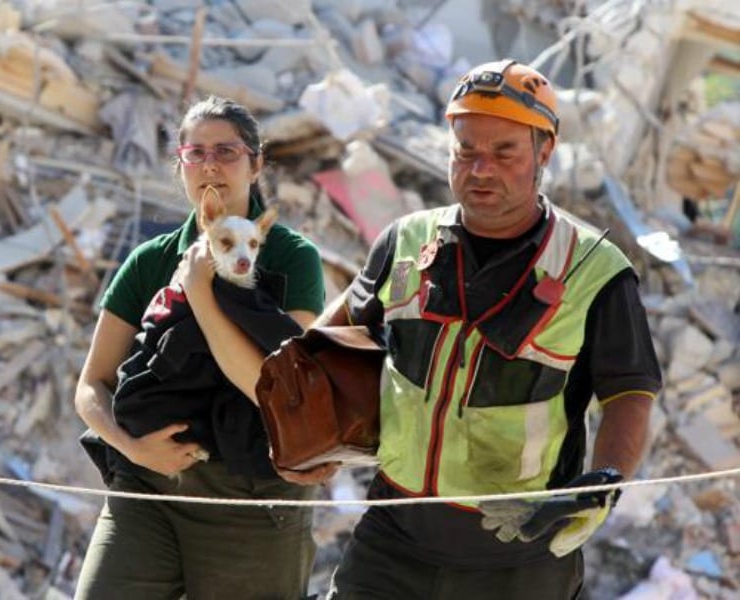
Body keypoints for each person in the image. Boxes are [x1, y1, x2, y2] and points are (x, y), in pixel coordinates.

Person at [293, 60, 663, 599]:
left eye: (504, 152)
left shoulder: (595, 271)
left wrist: (602, 484)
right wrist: (301, 428)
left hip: (520, 553)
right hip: (394, 539)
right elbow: (328, 345)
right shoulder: (404, 242)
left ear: (544, 152)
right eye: (465, 150)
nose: (481, 168)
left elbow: (630, 395)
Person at [74, 95, 326, 599]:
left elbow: (276, 391)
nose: (210, 164)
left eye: (227, 151)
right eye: (195, 152)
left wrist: (199, 293)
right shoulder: (150, 260)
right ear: (180, 167)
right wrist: (132, 447)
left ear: (256, 164)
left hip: (250, 500)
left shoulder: (291, 259)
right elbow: (91, 384)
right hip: (147, 491)